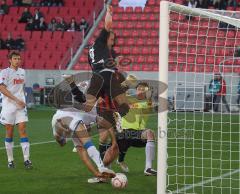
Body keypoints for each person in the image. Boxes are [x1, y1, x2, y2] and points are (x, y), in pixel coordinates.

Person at [67, 4, 131, 168]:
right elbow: (108, 26)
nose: (112, 40)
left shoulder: (92, 51)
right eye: (111, 38)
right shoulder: (101, 42)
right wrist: (109, 13)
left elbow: (99, 64)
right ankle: (115, 115)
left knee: (88, 106)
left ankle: (80, 121)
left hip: (96, 77)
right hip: (106, 75)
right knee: (124, 104)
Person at [51, 107, 115, 179]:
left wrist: (96, 173)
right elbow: (106, 124)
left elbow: (83, 154)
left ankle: (101, 168)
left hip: (61, 120)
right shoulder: (86, 116)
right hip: (62, 118)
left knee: (84, 145)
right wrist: (114, 141)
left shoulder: (81, 121)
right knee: (85, 143)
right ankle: (101, 167)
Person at [0, 51, 32, 169]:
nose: (17, 60)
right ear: (10, 60)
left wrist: (22, 100)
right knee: (9, 132)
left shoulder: (23, 72)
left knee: (23, 130)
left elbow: (21, 88)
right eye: (15, 58)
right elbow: (2, 89)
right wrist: (16, 99)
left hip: (20, 107)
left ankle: (27, 160)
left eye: (19, 58)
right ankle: (10, 160)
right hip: (8, 106)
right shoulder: (4, 72)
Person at [116, 82, 157, 176]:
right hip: (123, 132)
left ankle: (148, 168)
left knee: (150, 133)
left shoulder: (148, 103)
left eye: (144, 90)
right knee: (116, 148)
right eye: (139, 89)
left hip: (137, 133)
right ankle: (116, 163)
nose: (141, 91)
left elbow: (148, 107)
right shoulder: (128, 98)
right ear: (136, 89)